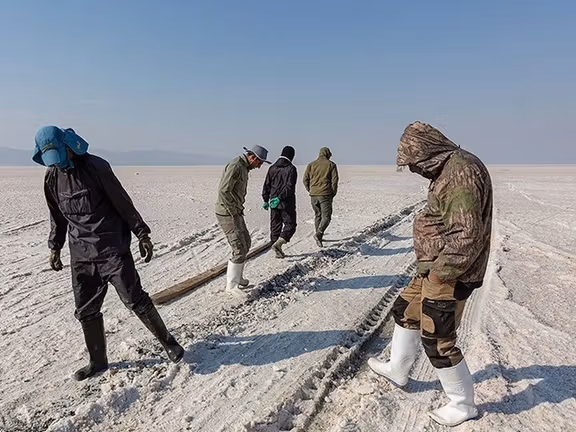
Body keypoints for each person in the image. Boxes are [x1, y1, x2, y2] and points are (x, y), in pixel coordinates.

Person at [33, 126, 184, 381]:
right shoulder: (51, 178)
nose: (57, 163)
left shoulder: (96, 167)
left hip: (112, 248)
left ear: (69, 147)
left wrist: (142, 233)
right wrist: (54, 246)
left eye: (60, 155)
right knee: (86, 310)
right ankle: (98, 361)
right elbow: (57, 217)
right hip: (81, 254)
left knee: (135, 299)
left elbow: (122, 202)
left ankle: (170, 343)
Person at [367, 122, 493, 427]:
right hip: (435, 265)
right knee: (405, 310)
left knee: (438, 338)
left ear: (427, 151)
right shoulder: (447, 168)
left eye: (415, 164)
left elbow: (467, 234)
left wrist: (440, 274)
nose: (414, 170)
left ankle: (463, 404)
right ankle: (399, 369)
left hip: (450, 272)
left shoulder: (460, 174)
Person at [215, 145, 270, 296]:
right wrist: (233, 211)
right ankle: (231, 287)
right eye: (259, 162)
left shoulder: (244, 167)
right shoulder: (236, 166)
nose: (259, 166)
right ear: (253, 157)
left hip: (235, 211)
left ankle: (238, 278)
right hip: (228, 213)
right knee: (238, 247)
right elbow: (224, 191)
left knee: (246, 242)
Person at [262, 146, 298, 258]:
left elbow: (266, 185)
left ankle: (276, 248)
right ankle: (278, 244)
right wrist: (280, 198)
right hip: (286, 203)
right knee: (290, 225)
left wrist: (266, 199)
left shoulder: (272, 168)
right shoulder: (291, 169)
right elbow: (289, 187)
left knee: (275, 225)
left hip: (273, 202)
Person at [303, 147, 339, 247]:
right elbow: (334, 181)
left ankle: (319, 237)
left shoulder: (311, 164)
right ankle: (319, 234)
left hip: (313, 195)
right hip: (325, 194)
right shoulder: (331, 165)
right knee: (326, 217)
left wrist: (310, 189)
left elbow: (305, 179)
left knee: (318, 215)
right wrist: (333, 193)